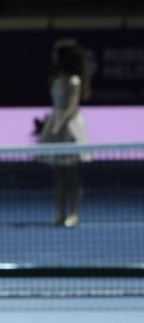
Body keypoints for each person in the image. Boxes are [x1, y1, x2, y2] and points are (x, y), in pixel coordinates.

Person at [38, 39, 91, 228]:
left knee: (73, 175)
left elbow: (72, 107)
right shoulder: (57, 77)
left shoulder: (74, 80)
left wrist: (58, 125)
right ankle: (61, 214)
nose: (53, 56)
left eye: (56, 53)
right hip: (56, 125)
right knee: (59, 175)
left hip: (70, 129)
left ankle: (74, 214)